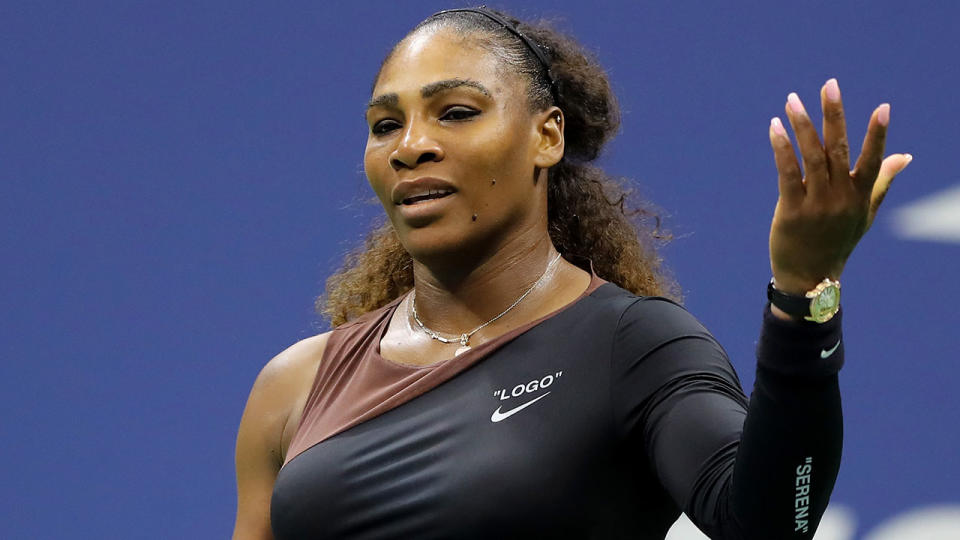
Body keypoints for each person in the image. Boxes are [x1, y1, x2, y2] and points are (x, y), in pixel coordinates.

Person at [233, 6, 912, 539]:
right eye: (385, 125)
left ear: (546, 136)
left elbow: (772, 524)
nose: (412, 146)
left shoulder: (633, 347)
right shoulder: (293, 386)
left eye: (457, 112)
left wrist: (805, 292)